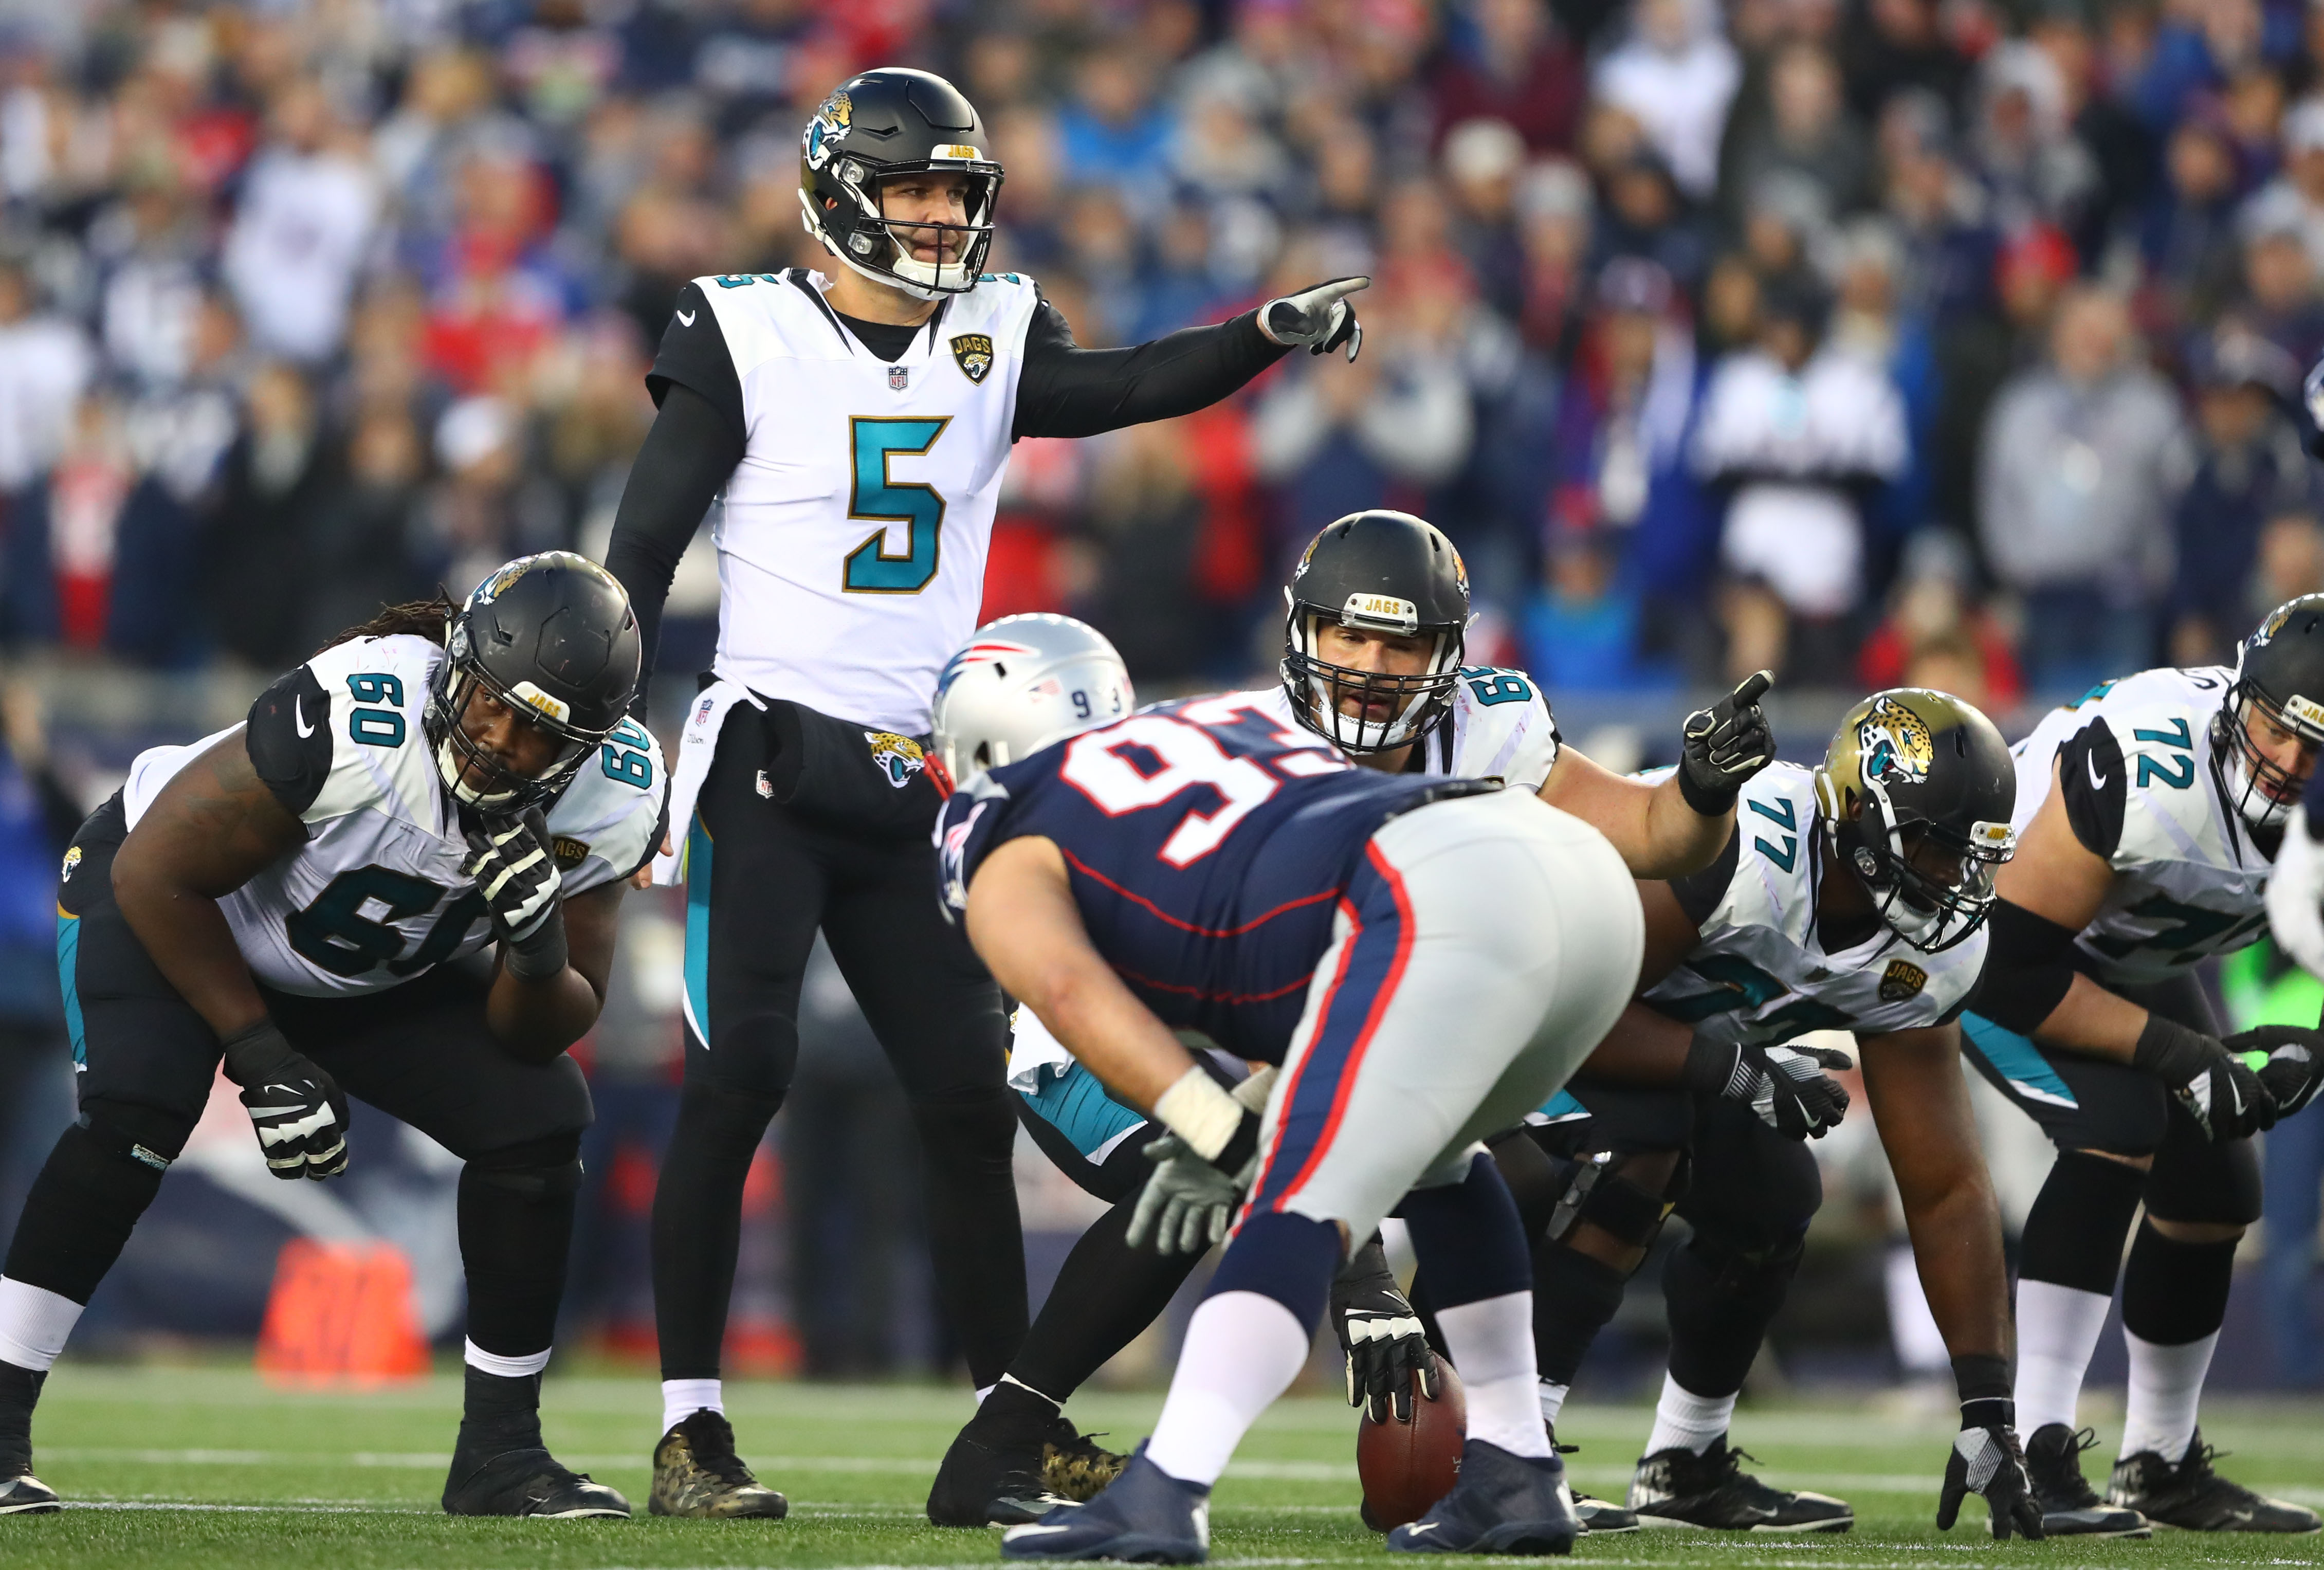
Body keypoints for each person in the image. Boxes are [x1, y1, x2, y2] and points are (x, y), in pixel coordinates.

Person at [598, 66, 1375, 1517]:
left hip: (924, 777)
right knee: (739, 1071)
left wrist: (1257, 337)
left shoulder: (994, 330)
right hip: (769, 754)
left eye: (960, 191)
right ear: (841, 191)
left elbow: (1125, 385)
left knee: (962, 1097)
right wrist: (613, 704)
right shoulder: (742, 325)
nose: (944, 217)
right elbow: (645, 539)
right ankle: (689, 1428)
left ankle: (1000, 1423)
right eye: (917, 188)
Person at [928, 508, 1775, 1529]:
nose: (1372, 665)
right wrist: (1326, 1231)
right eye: (1350, 637)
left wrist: (1256, 1163)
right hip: (1524, 914)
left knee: (1286, 1185)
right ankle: (1511, 1467)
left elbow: (1121, 988)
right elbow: (1105, 1006)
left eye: (1400, 640)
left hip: (1372, 934)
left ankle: (1165, 1491)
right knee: (1416, 1165)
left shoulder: (1022, 833)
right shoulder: (1215, 736)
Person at [0, 551, 666, 1518]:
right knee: (140, 1106)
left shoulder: (612, 798)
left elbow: (548, 1027)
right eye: (487, 701)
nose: (494, 739)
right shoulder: (361, 709)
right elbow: (156, 871)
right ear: (456, 663)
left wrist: (532, 947)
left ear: (589, 747)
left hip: (354, 960)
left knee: (540, 1115)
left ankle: (501, 1453)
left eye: (535, 734)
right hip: (180, 901)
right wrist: (260, 1052)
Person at [1487, 690, 2041, 1539]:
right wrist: (1732, 1066)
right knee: (1645, 1137)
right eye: (1933, 848)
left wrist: (1987, 1404)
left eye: (1970, 857)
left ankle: (1685, 1464)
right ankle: (1509, 1452)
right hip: (1504, 1003)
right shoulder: (1744, 846)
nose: (1950, 881)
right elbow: (1568, 998)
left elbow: (1942, 1183)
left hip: (1647, 1031)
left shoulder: (1929, 946)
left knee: (1774, 1192)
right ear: (1857, 811)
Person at [1962, 596, 2324, 1536]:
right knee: (2120, 1121)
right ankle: (2031, 1445)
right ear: (2240, 697)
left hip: (2118, 956)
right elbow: (2008, 962)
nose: (2287, 763)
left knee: (2213, 1193)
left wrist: (2313, 1049)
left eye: (2317, 749)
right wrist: (2180, 1052)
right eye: (2275, 729)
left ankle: (2158, 1462)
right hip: (1979, 937)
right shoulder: (2150, 761)